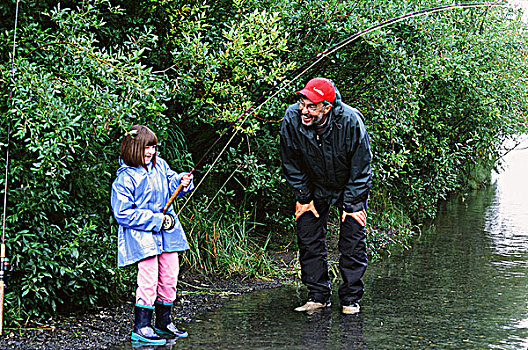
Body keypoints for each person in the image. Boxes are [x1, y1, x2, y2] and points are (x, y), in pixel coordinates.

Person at [280, 77, 372, 314]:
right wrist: (303, 196)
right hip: (313, 185)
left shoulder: (351, 121)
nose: (304, 110)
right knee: (308, 236)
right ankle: (318, 296)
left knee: (352, 240)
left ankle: (351, 299)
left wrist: (352, 205)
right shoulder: (292, 118)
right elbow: (290, 161)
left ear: (327, 108)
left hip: (348, 185)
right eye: (302, 102)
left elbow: (361, 167)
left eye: (312, 106)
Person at [111, 125, 194, 344]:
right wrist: (157, 220)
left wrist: (183, 181)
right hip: (142, 238)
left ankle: (164, 323)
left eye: (153, 147)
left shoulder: (161, 166)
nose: (150, 152)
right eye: (146, 147)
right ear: (132, 148)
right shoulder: (124, 179)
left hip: (168, 235)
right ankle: (142, 327)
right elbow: (122, 214)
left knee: (170, 275)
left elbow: (173, 181)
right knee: (148, 279)